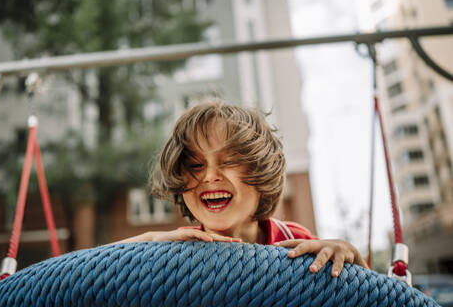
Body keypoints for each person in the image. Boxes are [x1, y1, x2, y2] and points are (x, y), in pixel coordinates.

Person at [117, 100, 368, 277]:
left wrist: (350, 257)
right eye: (195, 164)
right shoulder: (178, 245)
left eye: (228, 162)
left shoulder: (293, 240)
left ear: (262, 172)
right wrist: (149, 240)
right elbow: (93, 271)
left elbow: (366, 294)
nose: (211, 176)